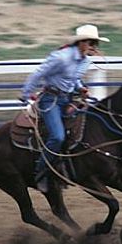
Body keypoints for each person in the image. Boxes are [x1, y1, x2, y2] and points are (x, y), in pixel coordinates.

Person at [21, 24, 110, 193]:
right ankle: (40, 172)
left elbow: (71, 79)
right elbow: (39, 73)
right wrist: (26, 93)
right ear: (81, 43)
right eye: (92, 43)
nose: (94, 47)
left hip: (68, 99)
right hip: (51, 100)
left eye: (96, 44)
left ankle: (70, 168)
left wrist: (80, 88)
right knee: (58, 137)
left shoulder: (84, 61)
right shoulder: (61, 57)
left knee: (85, 128)